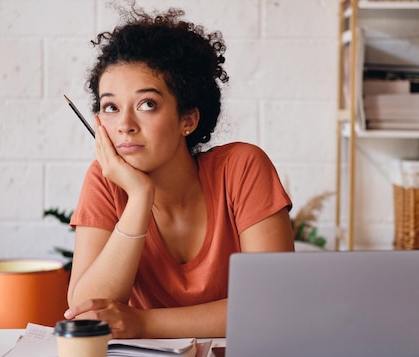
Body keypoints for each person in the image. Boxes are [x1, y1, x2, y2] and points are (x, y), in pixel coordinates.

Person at [64, 4, 294, 339]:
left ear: (187, 120)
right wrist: (140, 196)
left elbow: (274, 305)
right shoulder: (104, 181)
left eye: (147, 104)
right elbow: (87, 312)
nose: (125, 125)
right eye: (110, 107)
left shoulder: (242, 168)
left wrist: (143, 323)